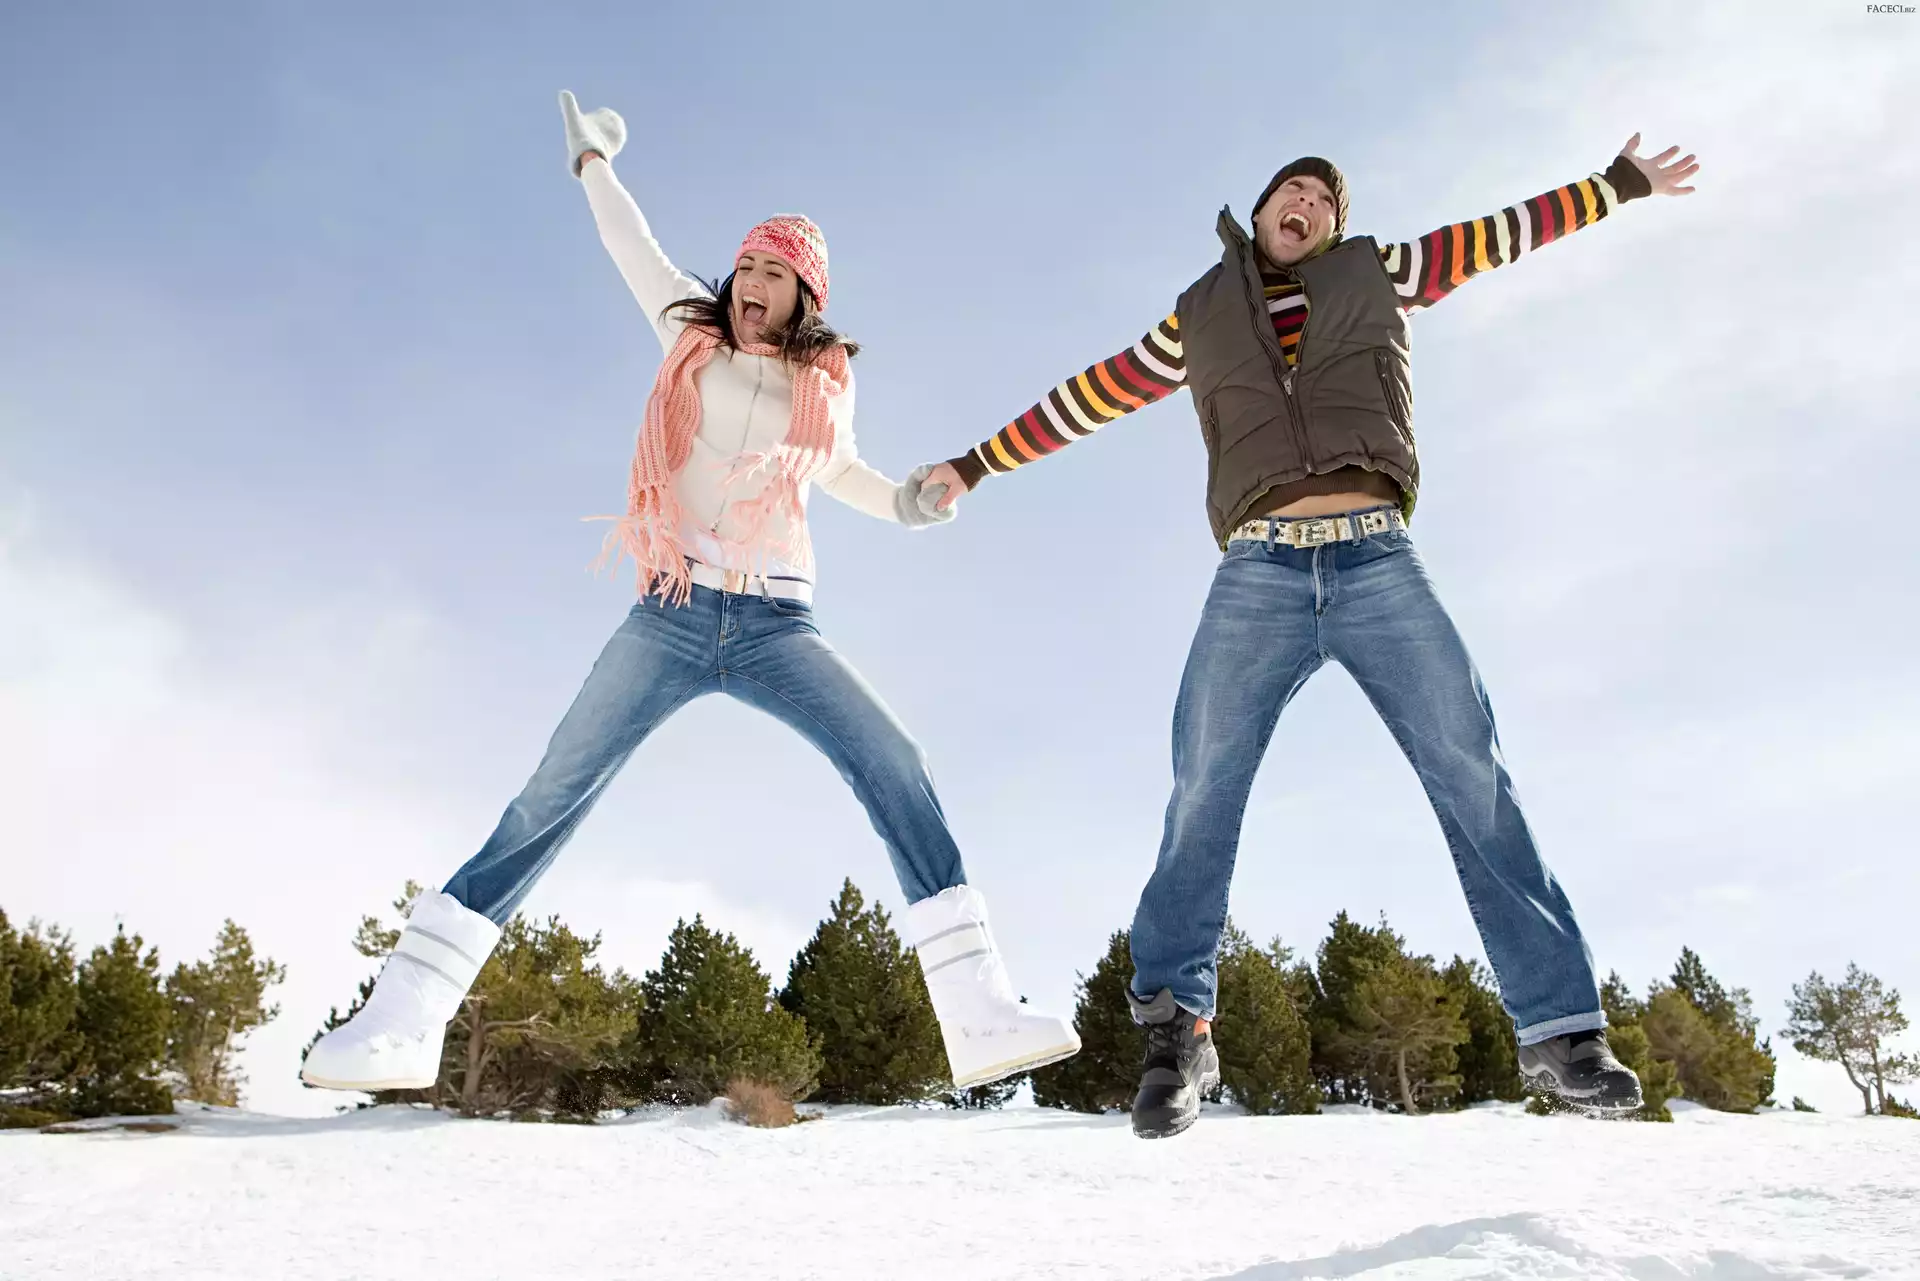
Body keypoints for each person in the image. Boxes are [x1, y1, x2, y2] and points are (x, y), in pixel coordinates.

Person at [919, 135, 1699, 1137]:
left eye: (1324, 200)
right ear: (1259, 215)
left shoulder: (1382, 271)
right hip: (1260, 568)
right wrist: (975, 464)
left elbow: (1498, 235)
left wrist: (1617, 185)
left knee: (1472, 769)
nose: (1307, 203)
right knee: (1204, 782)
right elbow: (1089, 395)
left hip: (1378, 558)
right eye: (1291, 191)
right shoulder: (1196, 318)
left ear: (1333, 227)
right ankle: (1177, 1031)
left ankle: (1561, 1030)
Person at [302, 92, 1078, 1097]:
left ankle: (977, 1011)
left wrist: (907, 502)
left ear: (805, 296)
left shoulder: (823, 386)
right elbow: (632, 244)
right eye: (746, 265)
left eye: (775, 273)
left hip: (775, 622)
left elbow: (843, 473)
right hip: (671, 612)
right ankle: (405, 1016)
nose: (753, 282)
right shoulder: (689, 333)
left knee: (895, 759)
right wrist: (593, 162)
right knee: (553, 791)